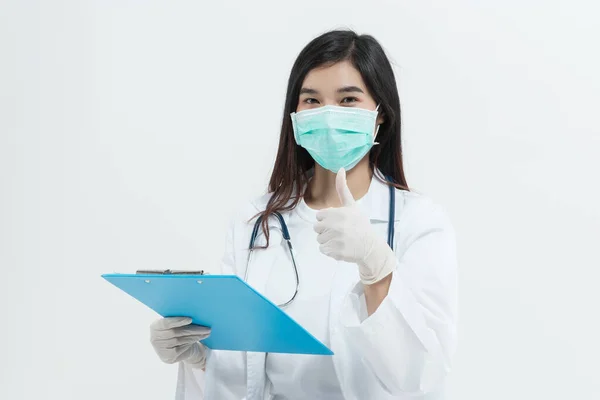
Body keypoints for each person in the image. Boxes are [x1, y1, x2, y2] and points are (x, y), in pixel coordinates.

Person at [149, 29, 457, 400]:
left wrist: (377, 267)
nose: (329, 115)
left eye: (348, 100)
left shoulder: (419, 223)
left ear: (380, 116)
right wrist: (201, 356)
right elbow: (242, 360)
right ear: (294, 116)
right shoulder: (254, 222)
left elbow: (422, 376)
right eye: (312, 100)